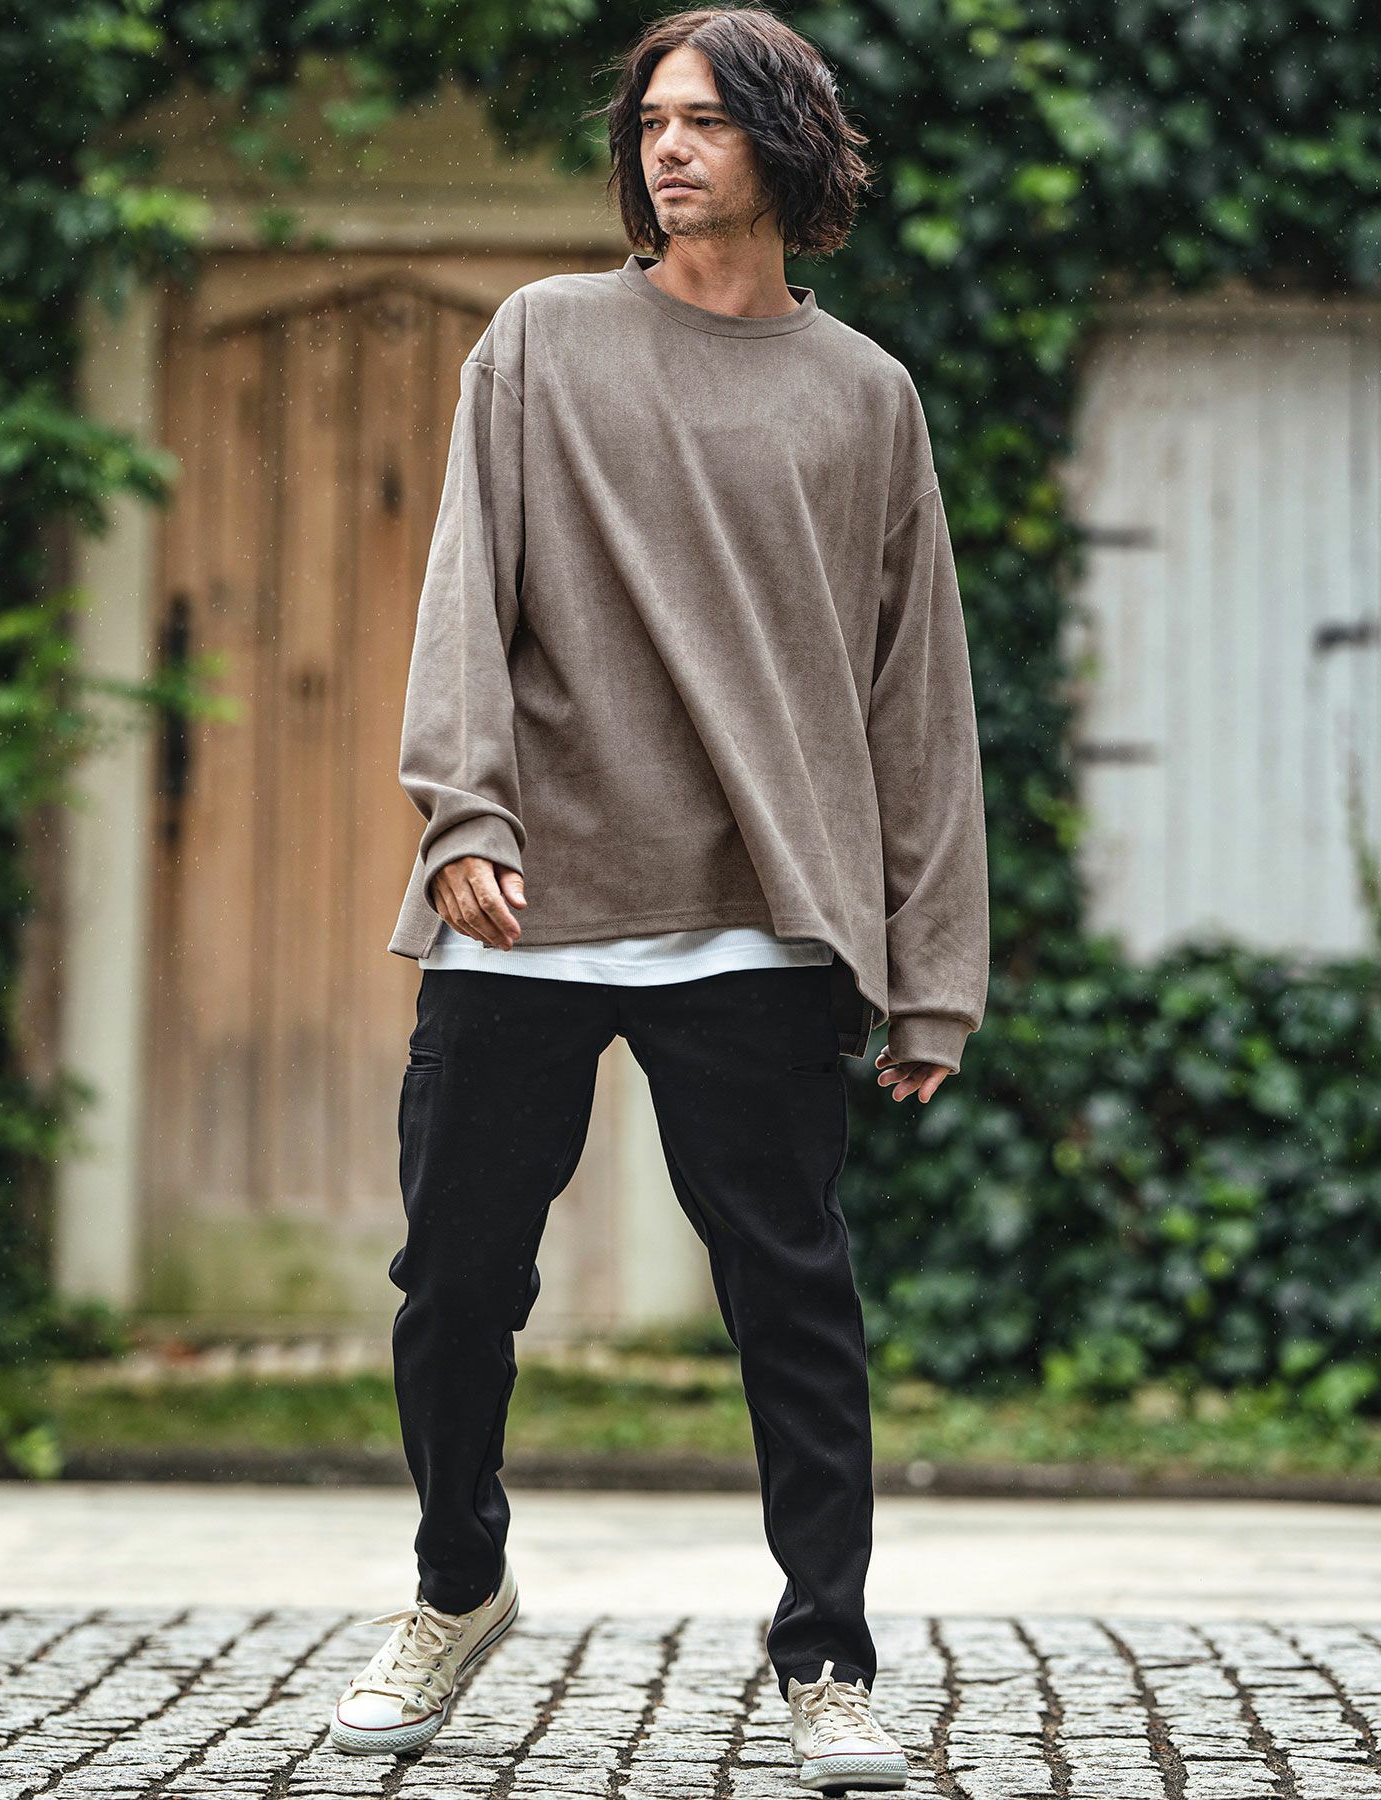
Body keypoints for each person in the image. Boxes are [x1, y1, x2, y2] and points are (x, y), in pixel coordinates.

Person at [328, 7, 989, 1791]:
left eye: (706, 120)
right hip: (529, 899)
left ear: (788, 142)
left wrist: (930, 969)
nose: (667, 148)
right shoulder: (543, 340)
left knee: (794, 1302)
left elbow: (915, 698)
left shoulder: (866, 397)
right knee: (453, 1285)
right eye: (649, 123)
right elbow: (466, 590)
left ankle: (826, 1657)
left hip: (759, 917)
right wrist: (462, 811)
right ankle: (456, 1585)